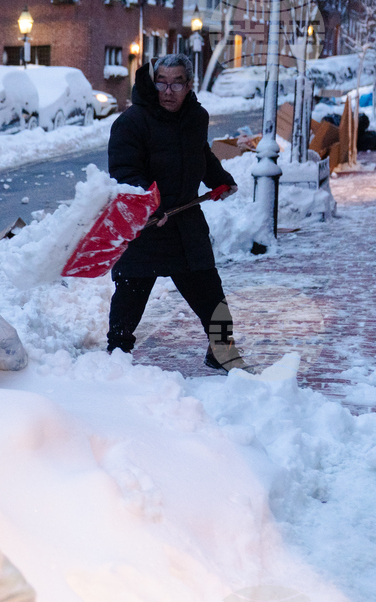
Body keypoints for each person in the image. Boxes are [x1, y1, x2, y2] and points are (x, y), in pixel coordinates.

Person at [106, 53, 246, 371]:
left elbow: (201, 154)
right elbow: (125, 171)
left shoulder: (196, 117)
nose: (168, 91)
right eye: (162, 82)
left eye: (177, 83)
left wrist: (219, 180)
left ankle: (221, 349)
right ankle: (116, 356)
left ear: (189, 85)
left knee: (211, 292)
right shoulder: (132, 122)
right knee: (130, 293)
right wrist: (150, 206)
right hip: (147, 226)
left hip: (185, 224)